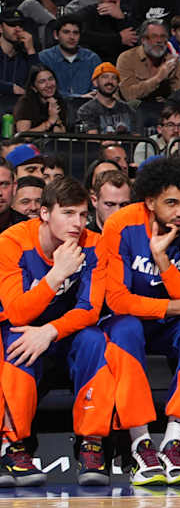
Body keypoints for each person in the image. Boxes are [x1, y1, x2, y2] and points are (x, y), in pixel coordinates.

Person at [94, 156, 180, 486]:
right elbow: (118, 300)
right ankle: (141, 443)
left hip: (172, 323)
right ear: (150, 201)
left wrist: (163, 261)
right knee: (125, 327)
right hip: (131, 320)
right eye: (171, 203)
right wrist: (179, 306)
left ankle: (173, 442)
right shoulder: (121, 226)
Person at [0, 177, 125, 487]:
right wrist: (56, 275)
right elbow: (16, 311)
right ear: (44, 213)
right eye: (68, 213)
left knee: (96, 339)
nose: (77, 223)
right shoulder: (12, 242)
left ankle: (92, 444)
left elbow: (89, 310)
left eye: (83, 215)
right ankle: (13, 446)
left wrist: (50, 331)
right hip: (22, 330)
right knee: (18, 338)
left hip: (63, 335)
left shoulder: (93, 245)